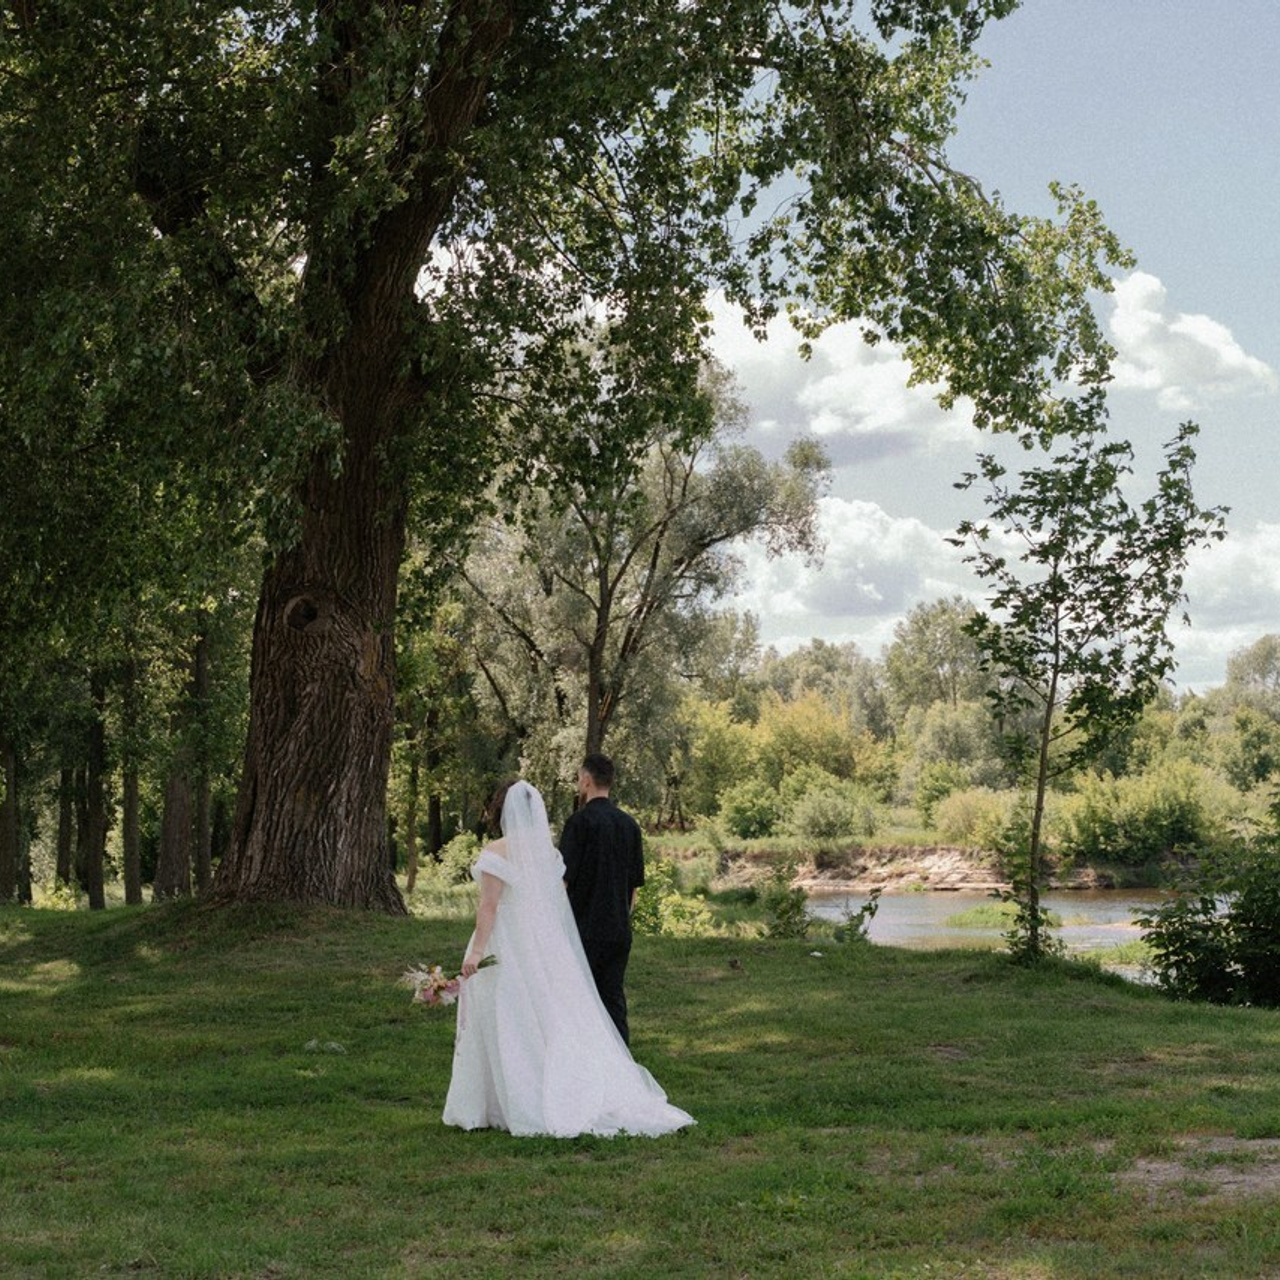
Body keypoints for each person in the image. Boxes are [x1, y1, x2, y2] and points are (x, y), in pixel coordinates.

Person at [442, 779, 693, 1139]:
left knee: (508, 1014)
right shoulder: (548, 854)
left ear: (501, 811)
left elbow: (489, 906)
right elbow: (554, 903)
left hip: (508, 941)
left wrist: (478, 951)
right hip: (542, 942)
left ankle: (506, 1101)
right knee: (548, 1014)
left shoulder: (497, 851)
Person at [558, 753, 644, 1045]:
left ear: (586, 780)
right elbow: (633, 887)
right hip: (618, 929)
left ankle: (583, 1057)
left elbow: (563, 881)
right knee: (613, 999)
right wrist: (623, 918)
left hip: (583, 928)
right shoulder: (630, 825)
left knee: (578, 1000)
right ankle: (621, 1059)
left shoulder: (579, 823)